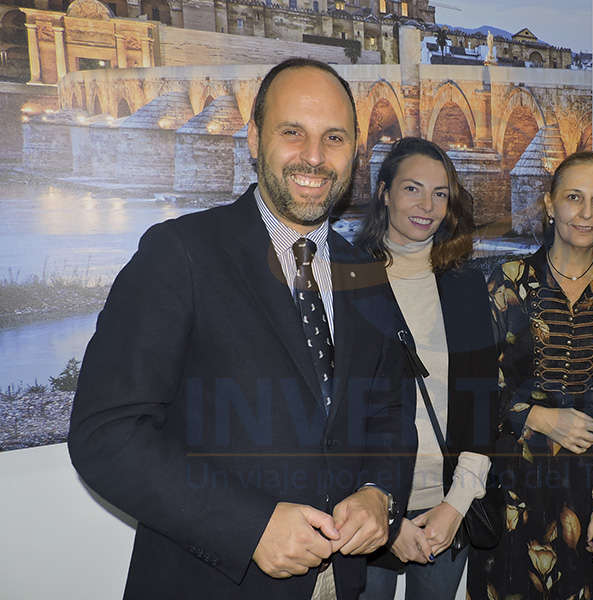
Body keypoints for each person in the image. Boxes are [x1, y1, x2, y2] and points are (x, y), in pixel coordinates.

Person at [67, 58, 417, 599]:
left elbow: (390, 410)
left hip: (338, 583)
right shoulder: (179, 253)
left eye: (335, 138)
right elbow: (106, 435)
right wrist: (247, 526)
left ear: (355, 151)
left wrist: (379, 492)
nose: (315, 157)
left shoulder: (364, 272)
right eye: (292, 132)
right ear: (254, 138)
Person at [468, 151, 593, 600]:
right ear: (550, 203)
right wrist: (538, 417)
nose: (587, 213)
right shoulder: (504, 281)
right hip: (515, 491)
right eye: (574, 197)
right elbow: (474, 388)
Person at [355, 137, 499, 600]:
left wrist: (456, 506)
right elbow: (335, 411)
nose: (427, 206)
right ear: (384, 192)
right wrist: (386, 520)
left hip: (445, 506)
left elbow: (482, 402)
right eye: (412, 189)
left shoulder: (465, 285)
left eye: (440, 193)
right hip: (365, 507)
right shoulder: (346, 279)